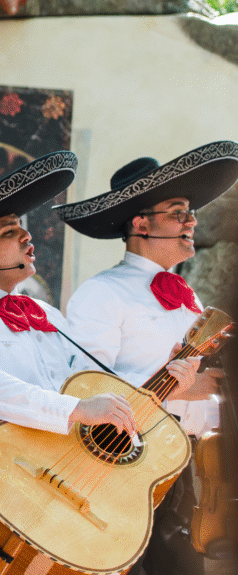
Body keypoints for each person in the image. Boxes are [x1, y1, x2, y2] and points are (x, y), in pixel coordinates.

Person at [0, 152, 198, 575]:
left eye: (23, 230)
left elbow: (88, 385)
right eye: (10, 232)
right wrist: (76, 410)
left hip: (57, 484)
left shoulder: (49, 316)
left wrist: (160, 380)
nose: (28, 240)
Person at [56, 140, 238, 575]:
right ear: (140, 224)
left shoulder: (188, 299)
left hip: (185, 469)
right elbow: (86, 389)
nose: (191, 222)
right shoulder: (101, 294)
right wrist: (176, 391)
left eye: (190, 213)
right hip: (125, 471)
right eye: (178, 213)